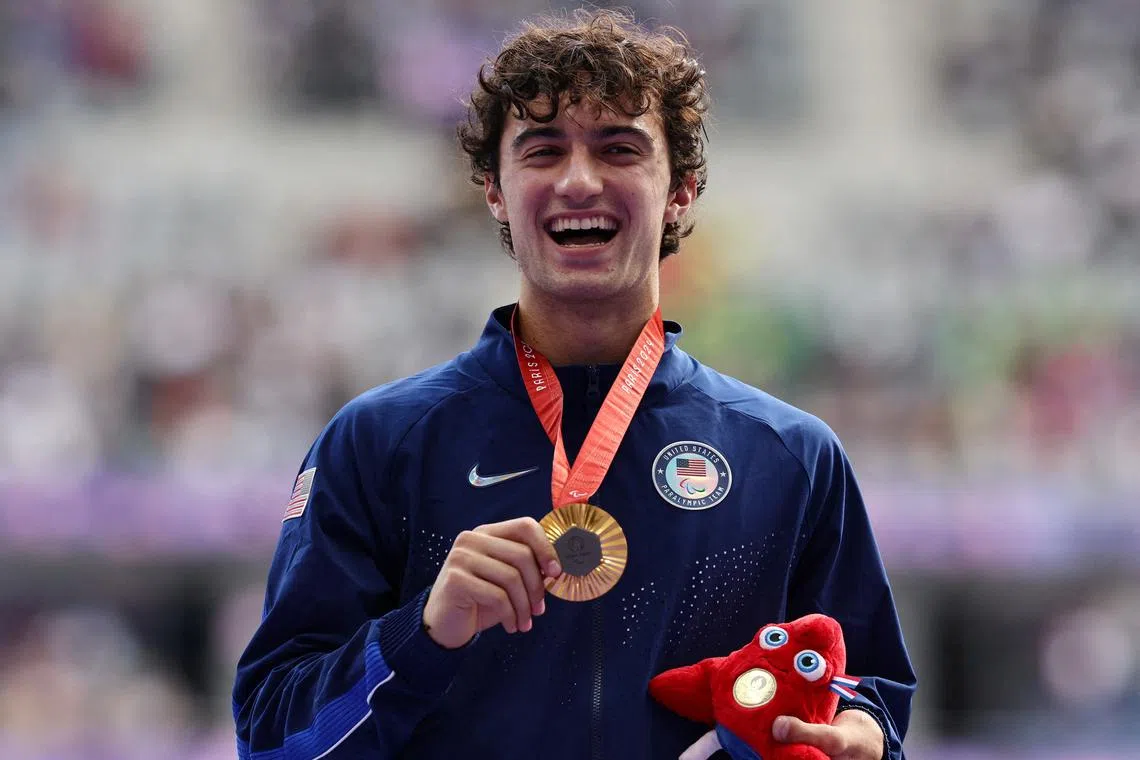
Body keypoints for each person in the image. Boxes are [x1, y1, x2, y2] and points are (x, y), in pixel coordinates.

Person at [233, 8, 916, 760]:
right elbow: (271, 738)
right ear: (494, 190)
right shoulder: (378, 444)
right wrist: (422, 633)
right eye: (543, 150)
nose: (579, 179)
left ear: (682, 190)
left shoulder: (790, 458)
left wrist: (864, 744)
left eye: (619, 148)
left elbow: (866, 700)